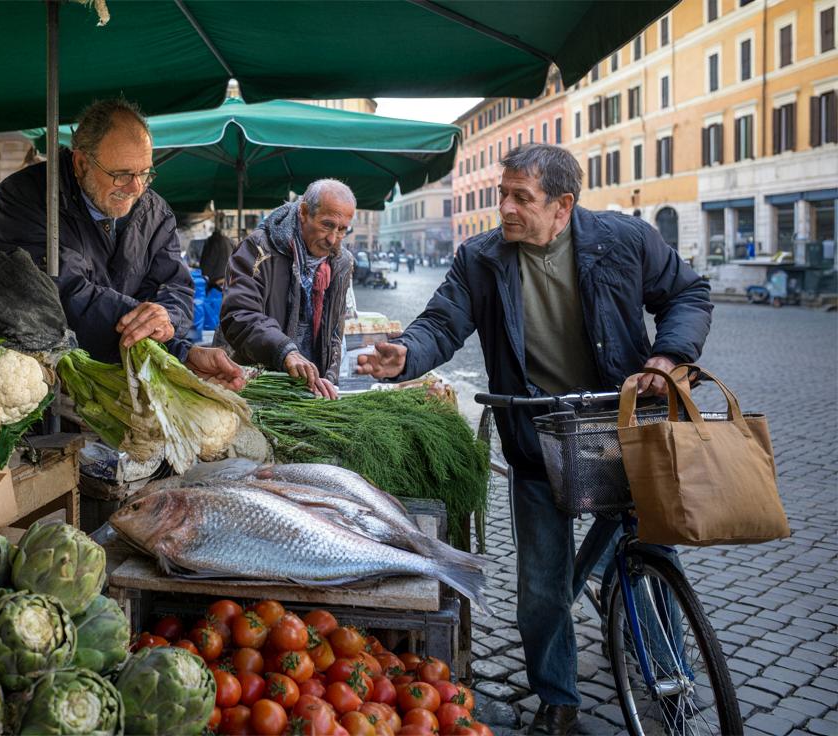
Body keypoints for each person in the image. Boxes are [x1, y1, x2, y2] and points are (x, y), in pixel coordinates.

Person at [357, 144, 712, 735]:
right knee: (543, 579)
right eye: (503, 194)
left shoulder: (624, 240)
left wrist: (668, 355)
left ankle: (669, 674)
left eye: (522, 197)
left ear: (562, 205)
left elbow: (689, 293)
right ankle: (558, 696)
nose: (506, 208)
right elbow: (443, 321)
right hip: (536, 433)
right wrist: (407, 355)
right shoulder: (482, 258)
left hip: (620, 424)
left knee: (654, 547)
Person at [0, 98, 243, 389]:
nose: (136, 188)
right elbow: (61, 293)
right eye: (122, 175)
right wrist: (164, 337)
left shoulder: (156, 212)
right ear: (81, 163)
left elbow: (175, 287)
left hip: (121, 387)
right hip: (32, 386)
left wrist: (166, 319)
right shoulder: (23, 198)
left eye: (145, 173)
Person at [218, 180, 357, 399]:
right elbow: (239, 315)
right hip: (257, 384)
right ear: (303, 212)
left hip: (306, 387)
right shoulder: (259, 248)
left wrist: (329, 382)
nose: (333, 239)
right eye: (327, 225)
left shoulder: (341, 262)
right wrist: (284, 350)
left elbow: (333, 333)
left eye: (342, 230)